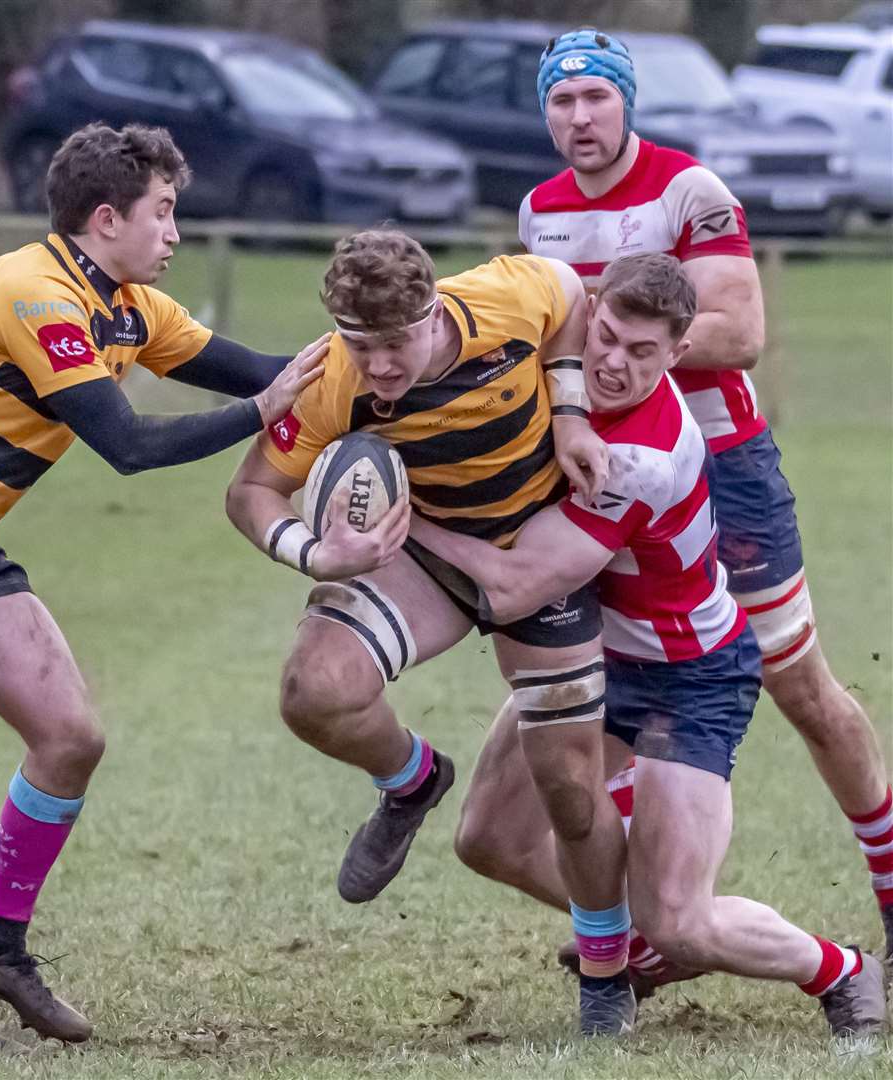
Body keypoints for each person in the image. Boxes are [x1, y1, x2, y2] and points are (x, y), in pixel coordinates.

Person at [0, 122, 326, 1053]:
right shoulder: (34, 291)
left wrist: (378, 370)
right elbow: (127, 445)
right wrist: (263, 413)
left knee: (70, 737)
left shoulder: (130, 306)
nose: (174, 234)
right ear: (106, 216)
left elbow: (268, 370)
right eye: (163, 214)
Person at [489, 26, 889, 980]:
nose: (579, 118)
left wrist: (593, 351)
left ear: (628, 102)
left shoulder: (689, 190)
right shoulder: (537, 212)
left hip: (720, 467)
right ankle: (671, 923)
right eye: (561, 101)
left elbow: (741, 329)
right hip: (597, 469)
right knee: (609, 686)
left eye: (596, 98)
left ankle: (888, 882)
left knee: (800, 685)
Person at [406, 252, 886, 1037]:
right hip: (594, 655)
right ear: (590, 313)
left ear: (678, 352)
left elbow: (518, 585)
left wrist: (410, 517)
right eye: (609, 338)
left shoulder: (646, 455)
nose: (616, 365)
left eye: (643, 353)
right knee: (489, 838)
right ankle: (626, 944)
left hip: (687, 678)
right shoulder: (560, 366)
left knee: (681, 920)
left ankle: (841, 971)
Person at [226, 227, 647, 1033]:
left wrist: (569, 414)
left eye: (396, 343)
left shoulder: (506, 297)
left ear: (432, 311)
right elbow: (251, 492)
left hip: (533, 547)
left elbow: (568, 297)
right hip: (424, 553)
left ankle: (605, 972)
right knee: (312, 691)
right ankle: (412, 778)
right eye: (361, 345)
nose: (379, 365)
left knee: (568, 786)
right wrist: (317, 553)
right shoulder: (331, 379)